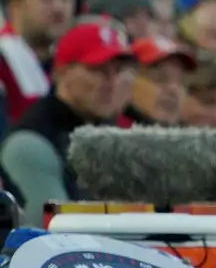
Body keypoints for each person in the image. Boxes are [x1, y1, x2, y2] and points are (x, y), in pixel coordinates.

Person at [0, 20, 133, 226]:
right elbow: (50, 234)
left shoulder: (107, 130)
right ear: (62, 72)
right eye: (98, 70)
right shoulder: (31, 141)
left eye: (118, 71)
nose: (111, 83)